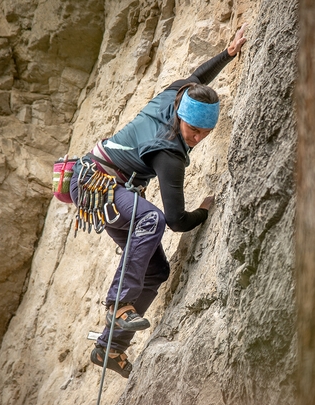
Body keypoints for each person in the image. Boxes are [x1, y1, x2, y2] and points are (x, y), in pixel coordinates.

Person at [69, 24, 248, 378]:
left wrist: (227, 54)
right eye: (192, 131)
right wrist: (205, 211)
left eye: (204, 133)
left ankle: (110, 347)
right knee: (151, 220)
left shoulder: (178, 93)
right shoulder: (169, 153)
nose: (196, 139)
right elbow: (177, 219)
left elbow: (197, 76)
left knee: (157, 270)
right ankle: (119, 304)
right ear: (181, 118)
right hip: (95, 181)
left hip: (103, 186)